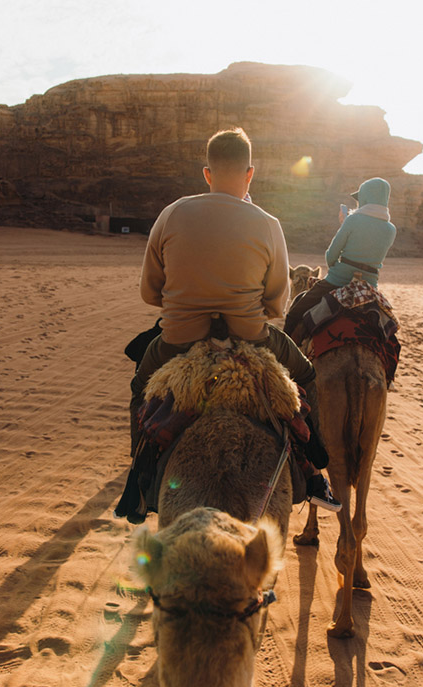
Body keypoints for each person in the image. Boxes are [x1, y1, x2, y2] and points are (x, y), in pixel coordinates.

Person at [129, 127, 339, 511]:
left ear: (207, 173)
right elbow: (277, 305)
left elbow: (149, 292)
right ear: (250, 174)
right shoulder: (268, 223)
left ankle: (139, 485)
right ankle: (313, 474)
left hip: (179, 337)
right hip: (250, 336)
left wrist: (185, 303)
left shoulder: (172, 213)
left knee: (141, 385)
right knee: (306, 375)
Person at [284, 177, 397, 340]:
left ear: (365, 198)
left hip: (337, 281)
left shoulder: (353, 219)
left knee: (293, 315)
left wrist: (335, 268)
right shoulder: (391, 229)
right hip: (370, 287)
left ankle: (283, 359)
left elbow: (331, 255)